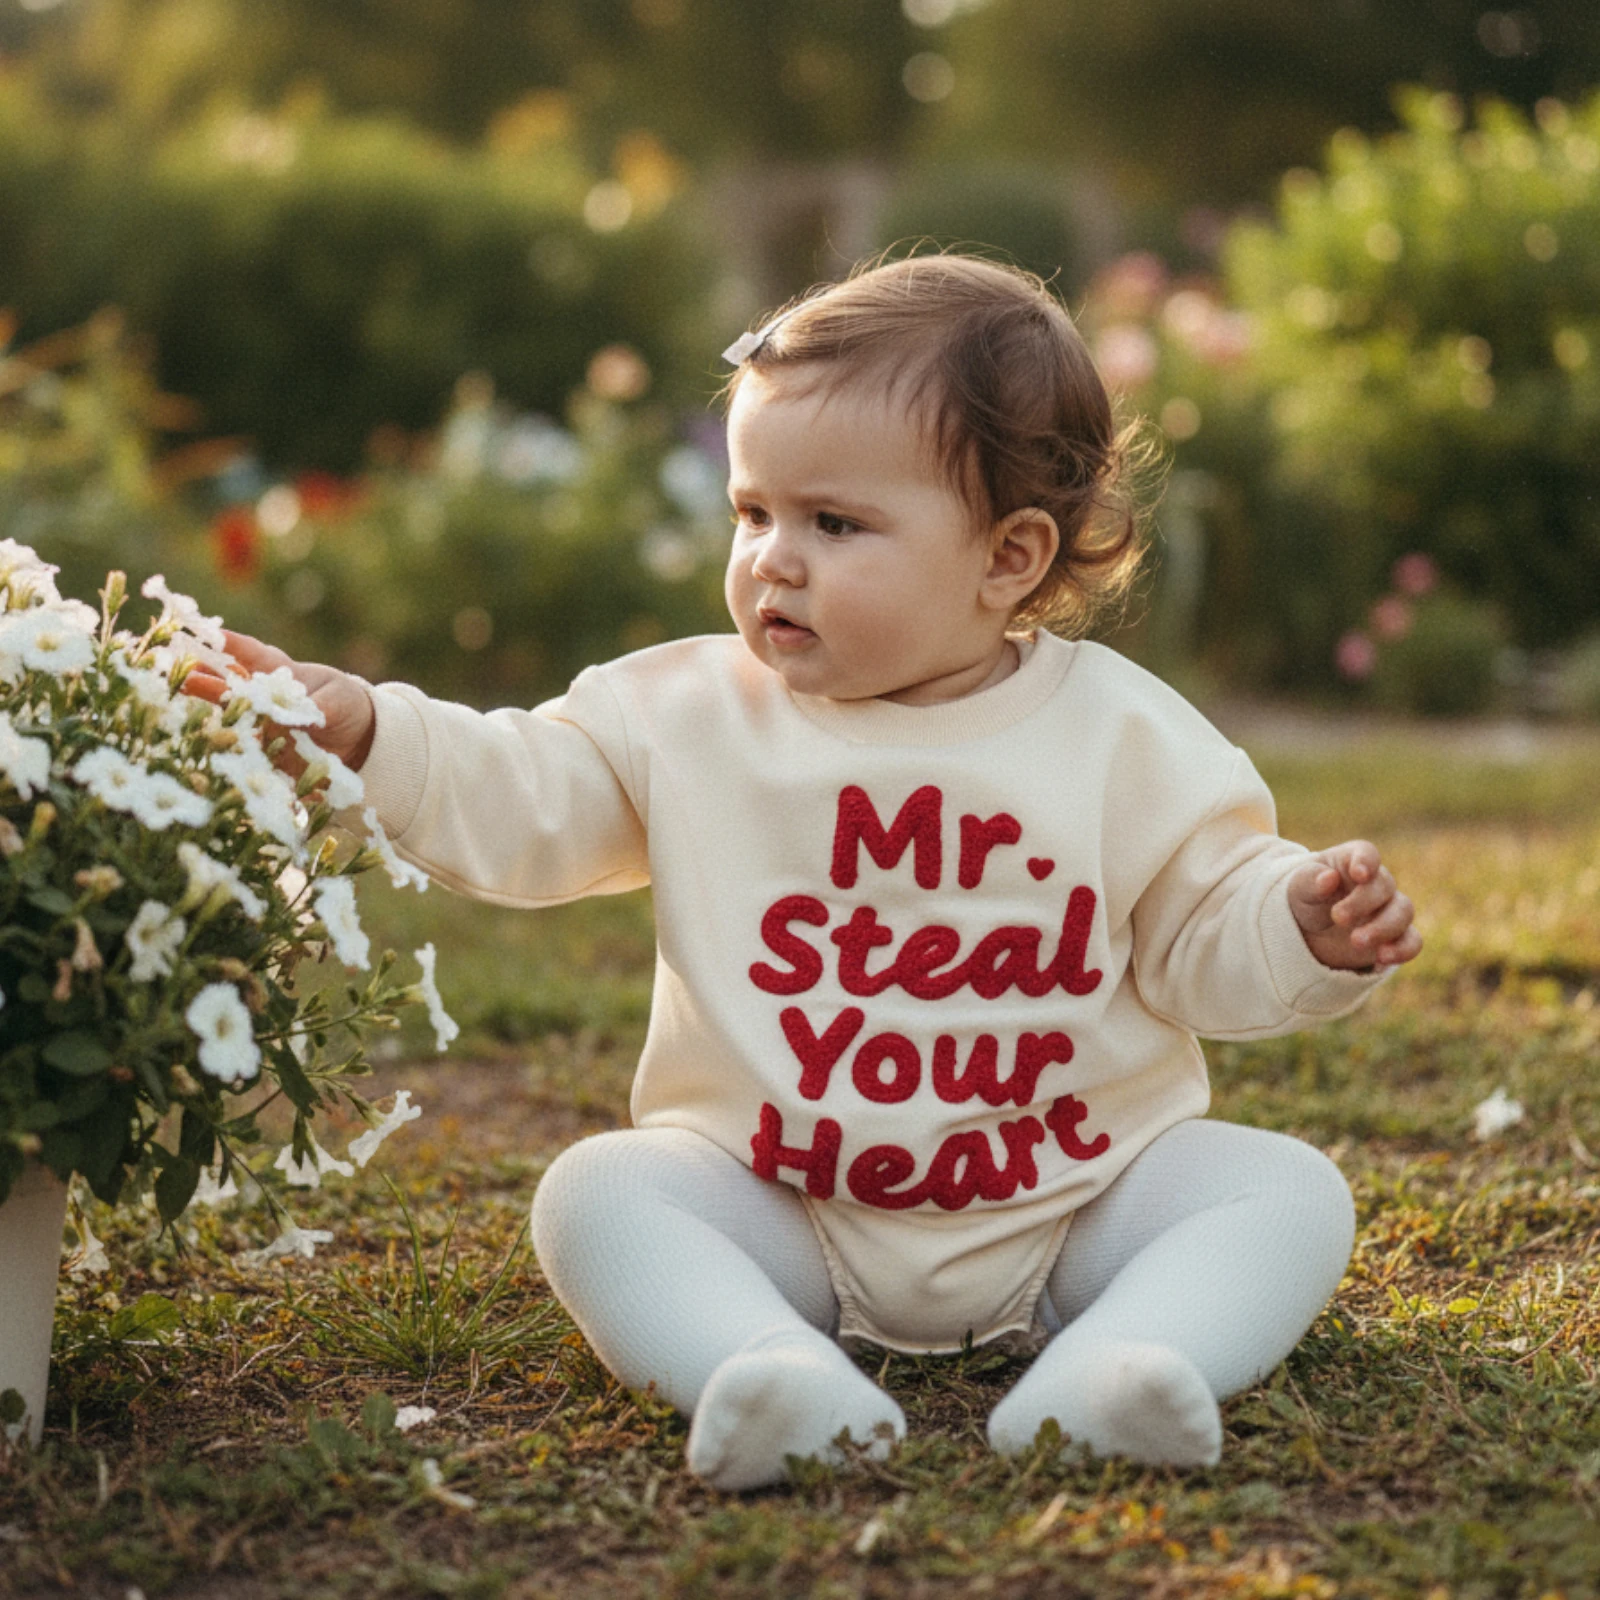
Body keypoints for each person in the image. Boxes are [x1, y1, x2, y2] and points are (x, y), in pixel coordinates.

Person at [207, 254, 1420, 1492]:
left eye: (834, 523)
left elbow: (1205, 928)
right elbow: (532, 793)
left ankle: (1118, 1364)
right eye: (753, 512)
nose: (773, 561)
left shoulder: (1126, 738)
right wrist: (373, 729)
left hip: (1078, 1203)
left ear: (1008, 556)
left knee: (1283, 1191)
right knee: (599, 1194)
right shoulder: (680, 713)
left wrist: (1298, 925)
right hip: (776, 1203)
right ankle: (762, 1366)